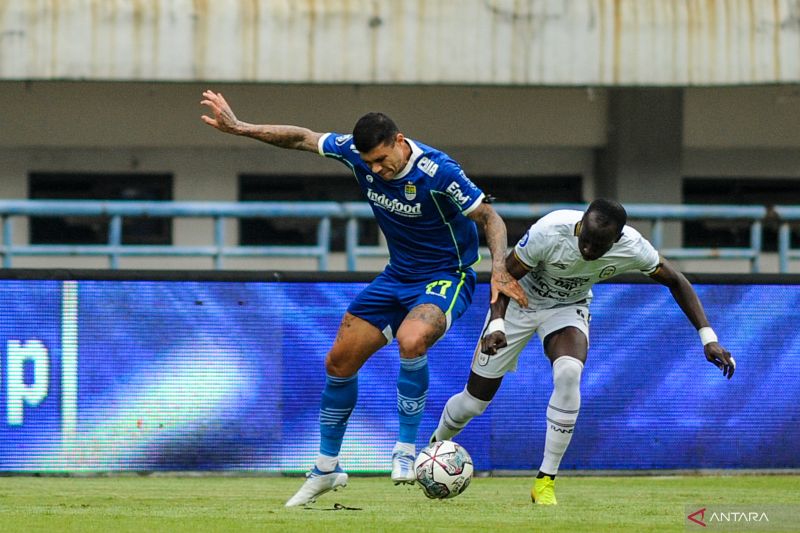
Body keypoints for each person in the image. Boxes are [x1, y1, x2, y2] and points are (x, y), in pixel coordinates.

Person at [200, 90, 528, 507]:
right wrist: (240, 127)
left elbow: (490, 217)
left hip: (447, 276)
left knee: (412, 339)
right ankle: (325, 468)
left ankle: (405, 451)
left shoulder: (438, 170)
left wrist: (498, 268)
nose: (375, 169)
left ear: (399, 141)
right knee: (339, 360)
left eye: (380, 159)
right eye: (368, 162)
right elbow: (302, 138)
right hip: (397, 276)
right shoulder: (355, 154)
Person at [429, 198, 735, 505]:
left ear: (616, 240)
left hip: (568, 307)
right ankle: (434, 449)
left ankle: (545, 482)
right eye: (585, 240)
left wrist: (708, 338)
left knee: (569, 372)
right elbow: (504, 276)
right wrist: (497, 323)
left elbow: (677, 281)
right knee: (473, 403)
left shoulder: (633, 247)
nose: (588, 250)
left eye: (598, 246)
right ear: (580, 225)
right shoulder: (550, 230)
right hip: (517, 304)